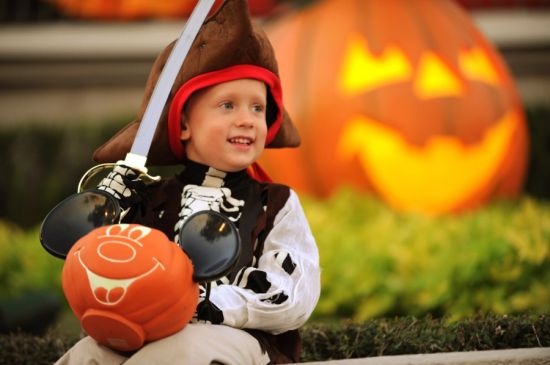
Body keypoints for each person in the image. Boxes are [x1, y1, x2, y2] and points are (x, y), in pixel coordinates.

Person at [55, 1, 320, 364]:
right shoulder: (148, 199)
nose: (247, 119)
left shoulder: (275, 203)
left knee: (182, 350)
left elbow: (293, 294)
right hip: (147, 332)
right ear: (183, 125)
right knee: (88, 353)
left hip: (240, 340)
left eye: (257, 108)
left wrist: (209, 305)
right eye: (228, 105)